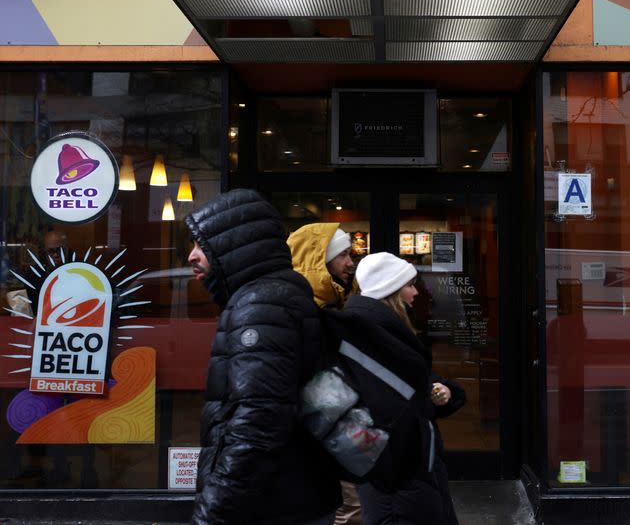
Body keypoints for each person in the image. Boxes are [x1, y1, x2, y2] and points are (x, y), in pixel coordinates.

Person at [185, 189, 341, 525]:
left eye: (202, 245)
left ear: (232, 247)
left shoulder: (259, 305)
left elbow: (258, 421)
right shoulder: (275, 294)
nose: (192, 256)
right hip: (293, 494)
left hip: (273, 504)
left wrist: (215, 509)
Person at [322, 252, 465, 525]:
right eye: (410, 285)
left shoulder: (383, 329)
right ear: (391, 291)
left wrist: (445, 392)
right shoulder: (367, 332)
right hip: (397, 476)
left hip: (405, 471)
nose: (416, 292)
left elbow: (410, 387)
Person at [287, 223, 362, 524]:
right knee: (349, 508)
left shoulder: (331, 305)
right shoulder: (304, 311)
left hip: (334, 431)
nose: (350, 262)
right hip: (323, 434)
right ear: (318, 260)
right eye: (343, 254)